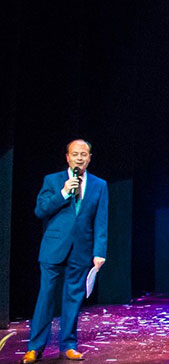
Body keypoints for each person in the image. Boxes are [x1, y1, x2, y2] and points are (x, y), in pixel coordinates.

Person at [23, 140, 108, 363]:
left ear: (89, 158)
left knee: (73, 299)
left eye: (84, 154)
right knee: (46, 297)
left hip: (81, 250)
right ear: (67, 157)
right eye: (75, 154)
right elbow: (40, 210)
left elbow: (101, 221)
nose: (80, 158)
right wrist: (63, 192)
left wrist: (99, 251)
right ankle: (35, 347)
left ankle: (68, 345)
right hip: (53, 248)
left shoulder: (99, 185)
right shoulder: (52, 180)